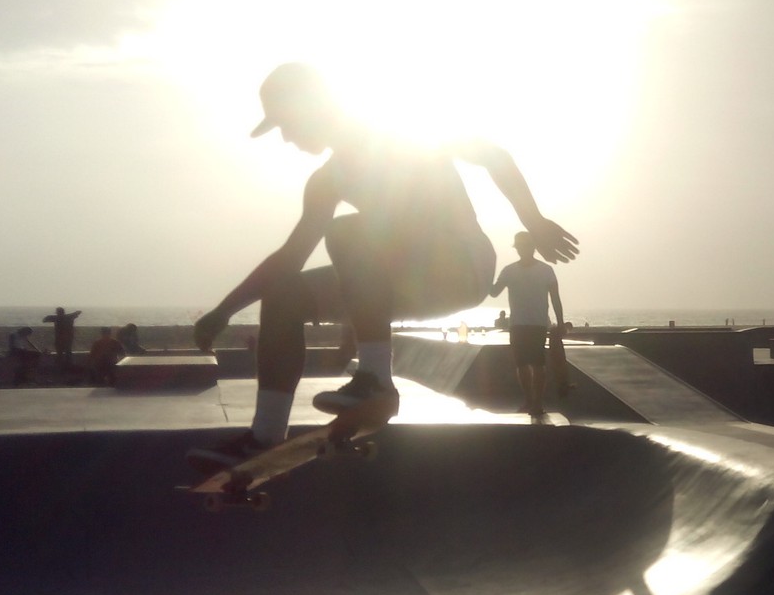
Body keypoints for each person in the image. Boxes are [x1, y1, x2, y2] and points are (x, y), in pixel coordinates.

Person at [187, 62, 577, 467]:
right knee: (283, 296)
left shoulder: (404, 133)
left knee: (346, 234)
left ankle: (375, 381)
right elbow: (289, 259)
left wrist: (534, 222)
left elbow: (493, 156)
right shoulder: (327, 181)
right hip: (398, 279)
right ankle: (265, 435)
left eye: (287, 124)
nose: (287, 138)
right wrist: (224, 311)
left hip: (461, 264)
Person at [490, 231, 565, 416]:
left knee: (538, 364)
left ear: (533, 247)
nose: (523, 249)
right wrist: (479, 275)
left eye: (526, 246)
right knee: (522, 365)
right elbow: (493, 292)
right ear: (517, 249)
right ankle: (530, 401)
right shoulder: (509, 270)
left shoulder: (546, 270)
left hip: (538, 324)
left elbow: (555, 298)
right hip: (517, 324)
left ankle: (537, 403)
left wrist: (561, 323)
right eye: (520, 247)